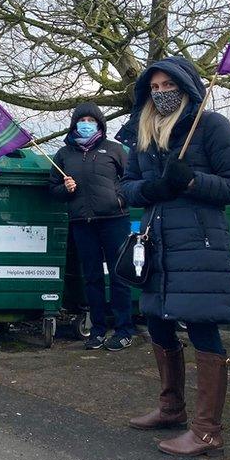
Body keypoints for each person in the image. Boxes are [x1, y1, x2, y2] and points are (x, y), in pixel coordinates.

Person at [118, 57, 230, 457]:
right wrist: (155, 188)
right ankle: (171, 408)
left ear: (186, 86)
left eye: (167, 85)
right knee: (157, 322)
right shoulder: (143, 132)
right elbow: (127, 188)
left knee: (201, 326)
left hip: (199, 247)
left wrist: (192, 181)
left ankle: (208, 430)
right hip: (156, 245)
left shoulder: (211, 127)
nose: (160, 93)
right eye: (154, 87)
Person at [49, 103, 135, 351]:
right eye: (81, 119)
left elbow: (131, 180)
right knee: (92, 278)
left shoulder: (115, 150)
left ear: (99, 124)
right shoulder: (64, 154)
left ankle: (123, 329)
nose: (85, 123)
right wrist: (64, 189)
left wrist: (118, 198)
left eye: (91, 119)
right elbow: (52, 188)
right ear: (74, 124)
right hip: (82, 223)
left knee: (119, 276)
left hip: (114, 221)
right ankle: (97, 330)